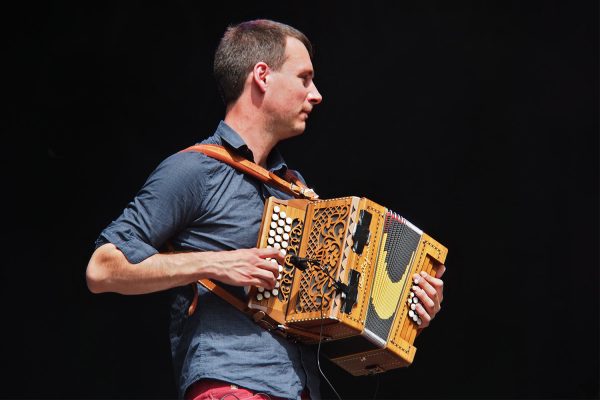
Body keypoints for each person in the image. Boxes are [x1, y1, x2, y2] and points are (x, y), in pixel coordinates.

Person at [86, 18, 445, 400]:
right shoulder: (194, 170)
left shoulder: (297, 190)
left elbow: (334, 332)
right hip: (231, 384)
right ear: (262, 75)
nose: (317, 94)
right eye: (304, 78)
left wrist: (405, 316)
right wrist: (216, 263)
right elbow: (102, 267)